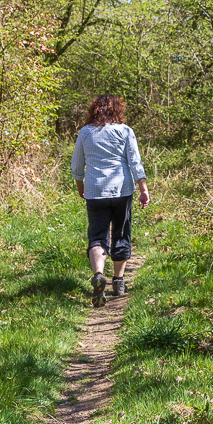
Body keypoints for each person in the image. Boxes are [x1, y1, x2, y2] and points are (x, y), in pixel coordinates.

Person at [71, 95, 150, 307]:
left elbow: (77, 168)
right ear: (118, 110)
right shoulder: (125, 131)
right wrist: (143, 188)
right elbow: (135, 162)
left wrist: (82, 190)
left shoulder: (86, 132)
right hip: (122, 190)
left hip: (95, 191)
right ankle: (118, 280)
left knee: (97, 236)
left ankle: (98, 275)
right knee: (121, 233)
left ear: (94, 110)